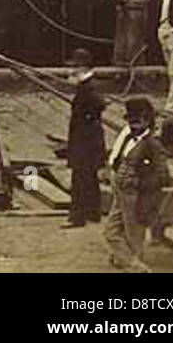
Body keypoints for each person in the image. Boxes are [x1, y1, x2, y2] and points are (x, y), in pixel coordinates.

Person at [103, 96, 168, 272]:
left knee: (134, 237)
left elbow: (162, 176)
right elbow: (118, 160)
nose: (134, 126)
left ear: (147, 122)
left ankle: (135, 266)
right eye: (131, 122)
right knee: (110, 232)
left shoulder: (153, 145)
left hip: (134, 194)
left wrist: (139, 185)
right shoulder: (128, 138)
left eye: (138, 122)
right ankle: (131, 263)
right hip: (121, 191)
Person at [63, 48, 105, 228]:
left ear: (82, 68)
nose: (71, 71)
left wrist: (87, 120)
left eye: (74, 67)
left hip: (85, 138)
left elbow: (98, 104)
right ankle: (93, 212)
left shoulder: (88, 88)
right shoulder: (87, 86)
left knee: (79, 178)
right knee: (90, 176)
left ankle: (77, 216)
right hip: (91, 137)